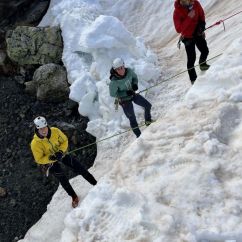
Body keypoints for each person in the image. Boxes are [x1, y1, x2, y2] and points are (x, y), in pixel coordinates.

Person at [30, 116, 97, 208]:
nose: (44, 130)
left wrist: (61, 151)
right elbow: (39, 159)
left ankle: (95, 184)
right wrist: (50, 158)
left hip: (62, 154)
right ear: (37, 129)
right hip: (51, 162)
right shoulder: (35, 143)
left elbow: (64, 140)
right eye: (41, 129)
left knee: (80, 168)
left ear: (47, 126)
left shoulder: (55, 131)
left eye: (44, 128)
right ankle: (74, 196)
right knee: (63, 179)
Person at [109, 58, 152, 138]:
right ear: (115, 70)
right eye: (118, 69)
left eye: (121, 67)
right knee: (132, 119)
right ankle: (139, 137)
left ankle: (148, 122)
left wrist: (135, 84)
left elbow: (135, 78)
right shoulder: (114, 82)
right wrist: (125, 93)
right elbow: (112, 94)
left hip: (132, 94)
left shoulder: (129, 71)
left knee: (148, 105)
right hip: (124, 101)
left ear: (124, 66)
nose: (120, 70)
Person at [173, 0, 210, 84]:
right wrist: (189, 17)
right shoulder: (177, 12)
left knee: (205, 50)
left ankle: (203, 65)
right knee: (191, 59)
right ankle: (193, 80)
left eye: (185, 1)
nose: (183, 3)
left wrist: (202, 25)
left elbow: (201, 15)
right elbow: (178, 29)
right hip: (187, 37)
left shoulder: (196, 4)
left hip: (197, 33)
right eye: (181, 1)